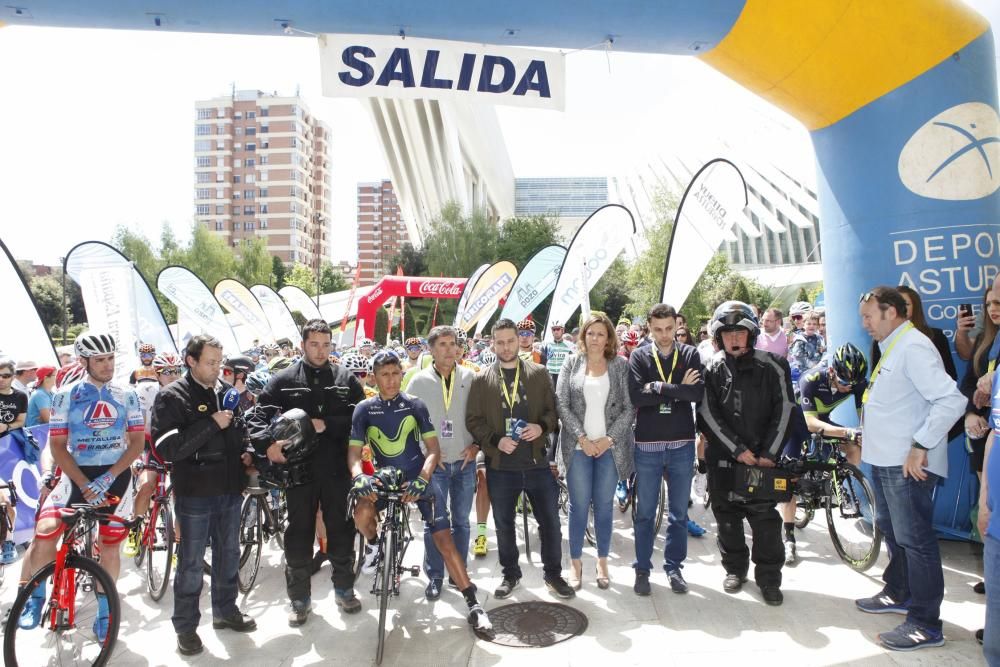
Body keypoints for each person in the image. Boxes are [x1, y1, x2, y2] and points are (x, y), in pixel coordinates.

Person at [349, 351, 492, 634]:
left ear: (402, 374)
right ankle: (376, 544)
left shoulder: (415, 405)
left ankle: (473, 604)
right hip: (383, 476)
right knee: (361, 513)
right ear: (374, 377)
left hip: (418, 477)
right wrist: (358, 477)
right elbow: (354, 453)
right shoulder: (364, 409)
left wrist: (423, 478)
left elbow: (433, 450)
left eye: (395, 374)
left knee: (444, 538)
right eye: (384, 375)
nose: (390, 381)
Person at [855, 286, 966, 651]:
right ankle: (899, 591)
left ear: (891, 312)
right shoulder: (893, 346)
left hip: (907, 466)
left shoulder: (914, 346)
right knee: (893, 531)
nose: (865, 324)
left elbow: (951, 401)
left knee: (916, 541)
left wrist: (921, 445)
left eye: (870, 316)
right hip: (886, 460)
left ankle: (925, 623)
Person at [18, 332, 145, 641]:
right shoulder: (65, 395)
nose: (107, 365)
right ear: (85, 361)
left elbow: (137, 442)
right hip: (77, 473)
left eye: (110, 358)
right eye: (100, 360)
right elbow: (59, 446)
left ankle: (105, 611)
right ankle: (34, 597)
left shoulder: (127, 394)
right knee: (46, 530)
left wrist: (108, 476)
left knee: (110, 544)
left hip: (115, 475)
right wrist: (84, 481)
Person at [247, 319, 365, 626]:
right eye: (314, 344)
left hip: (337, 469)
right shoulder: (283, 379)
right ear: (303, 345)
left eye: (326, 344)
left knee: (341, 529)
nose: (321, 350)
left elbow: (362, 418)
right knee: (298, 534)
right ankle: (299, 599)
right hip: (298, 473)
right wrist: (268, 446)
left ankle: (344, 588)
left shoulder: (346, 379)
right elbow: (257, 419)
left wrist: (328, 425)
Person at [151, 335, 256, 655]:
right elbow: (168, 447)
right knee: (192, 564)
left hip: (229, 490)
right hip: (195, 493)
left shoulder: (226, 392)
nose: (216, 369)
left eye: (219, 363)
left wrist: (248, 451)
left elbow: (241, 431)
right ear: (191, 361)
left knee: (228, 555)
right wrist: (211, 423)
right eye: (210, 362)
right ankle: (185, 627)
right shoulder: (172, 397)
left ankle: (225, 611)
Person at [466, 318, 573, 599]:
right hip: (501, 466)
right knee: (503, 524)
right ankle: (510, 574)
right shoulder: (481, 378)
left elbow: (553, 412)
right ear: (492, 343)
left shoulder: (538, 373)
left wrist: (541, 426)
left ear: (520, 340)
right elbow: (473, 420)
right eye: (500, 342)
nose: (506, 347)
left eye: (510, 341)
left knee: (550, 521)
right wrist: (494, 440)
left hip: (537, 462)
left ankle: (554, 575)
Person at [698, 302, 795, 606]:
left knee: (765, 522)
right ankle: (735, 570)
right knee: (726, 520)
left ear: (751, 333)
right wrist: (737, 450)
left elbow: (786, 409)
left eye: (740, 331)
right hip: (724, 461)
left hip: (764, 462)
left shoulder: (775, 365)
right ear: (719, 337)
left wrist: (768, 453)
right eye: (727, 334)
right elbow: (707, 414)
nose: (734, 338)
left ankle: (769, 578)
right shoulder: (711, 369)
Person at [627, 304, 704, 595]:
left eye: (669, 328)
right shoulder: (639, 356)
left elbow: (696, 393)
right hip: (647, 446)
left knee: (679, 515)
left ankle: (674, 568)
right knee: (645, 512)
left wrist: (658, 386)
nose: (664, 335)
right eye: (657, 329)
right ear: (649, 327)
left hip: (682, 444)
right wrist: (676, 390)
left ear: (676, 325)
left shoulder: (690, 354)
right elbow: (636, 396)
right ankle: (642, 569)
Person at [556, 313, 633, 590]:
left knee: (603, 506)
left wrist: (608, 439)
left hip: (609, 449)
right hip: (578, 448)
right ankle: (575, 562)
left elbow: (628, 408)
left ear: (609, 337)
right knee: (578, 507)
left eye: (601, 334)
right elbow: (561, 404)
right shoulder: (571, 362)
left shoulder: (620, 366)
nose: (595, 339)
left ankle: (602, 561)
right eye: (590, 333)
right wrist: (583, 438)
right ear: (583, 336)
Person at [406, 326, 479, 599]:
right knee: (434, 523)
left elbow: (482, 418)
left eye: (453, 344)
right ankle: (435, 575)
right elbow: (409, 426)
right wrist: (426, 456)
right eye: (443, 345)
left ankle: (457, 573)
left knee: (461, 521)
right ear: (431, 349)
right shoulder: (418, 382)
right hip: (434, 465)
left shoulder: (472, 378)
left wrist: (477, 446)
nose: (449, 349)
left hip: (464, 462)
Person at [781, 343, 868, 564]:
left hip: (822, 420)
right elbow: (810, 424)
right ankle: (789, 537)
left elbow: (865, 418)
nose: (849, 388)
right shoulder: (811, 380)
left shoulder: (856, 383)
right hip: (796, 422)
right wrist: (848, 431)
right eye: (844, 383)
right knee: (788, 480)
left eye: (853, 384)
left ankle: (834, 479)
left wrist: (862, 433)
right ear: (831, 372)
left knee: (854, 447)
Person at [124, 351, 183, 558]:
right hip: (149, 443)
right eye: (167, 372)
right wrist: (135, 456)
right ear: (157, 373)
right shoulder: (144, 391)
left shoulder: (185, 389)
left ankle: (179, 548)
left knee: (182, 497)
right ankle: (135, 529)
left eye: (177, 370)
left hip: (175, 446)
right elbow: (133, 426)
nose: (173, 376)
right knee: (147, 484)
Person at [961, 286, 1000, 486]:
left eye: (998, 303)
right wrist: (970, 415)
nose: (992, 309)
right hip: (982, 435)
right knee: (987, 505)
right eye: (988, 305)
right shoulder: (984, 341)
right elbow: (967, 382)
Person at [0, 359, 28, 435]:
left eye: (5, 376)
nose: (1, 379)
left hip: (10, 442)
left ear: (13, 377)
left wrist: (6, 426)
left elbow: (21, 422)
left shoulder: (21, 396)